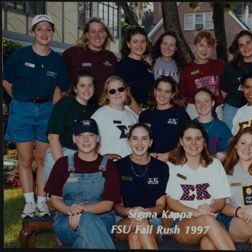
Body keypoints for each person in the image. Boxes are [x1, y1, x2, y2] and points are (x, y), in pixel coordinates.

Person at [3, 14, 68, 218]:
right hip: (22, 110)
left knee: (41, 159)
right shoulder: (20, 55)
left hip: (47, 110)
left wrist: (53, 106)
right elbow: (6, 80)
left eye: (48, 29)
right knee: (25, 158)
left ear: (52, 33)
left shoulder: (57, 60)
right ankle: (29, 203)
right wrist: (21, 100)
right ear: (33, 32)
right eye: (40, 29)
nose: (44, 33)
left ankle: (42, 202)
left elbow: (62, 88)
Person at [44, 118, 120, 248]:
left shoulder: (109, 166)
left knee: (84, 241)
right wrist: (70, 210)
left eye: (91, 135)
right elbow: (55, 199)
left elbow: (108, 205)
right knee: (87, 223)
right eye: (81, 135)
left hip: (102, 220)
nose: (86, 140)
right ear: (74, 138)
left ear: (97, 138)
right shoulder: (62, 164)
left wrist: (81, 211)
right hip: (67, 221)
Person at [165, 121, 235, 250]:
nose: (194, 143)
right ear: (181, 141)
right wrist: (195, 212)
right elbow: (171, 202)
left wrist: (210, 209)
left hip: (213, 219)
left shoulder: (215, 165)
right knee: (207, 220)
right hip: (182, 223)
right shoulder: (172, 166)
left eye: (198, 138)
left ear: (204, 141)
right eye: (188, 139)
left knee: (209, 244)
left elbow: (221, 200)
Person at [114, 123, 169, 249]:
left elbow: (160, 206)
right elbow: (117, 206)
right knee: (140, 223)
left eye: (144, 138)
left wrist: (146, 213)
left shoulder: (161, 168)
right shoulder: (118, 167)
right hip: (122, 220)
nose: (139, 143)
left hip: (153, 221)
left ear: (150, 142)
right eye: (135, 138)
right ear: (128, 141)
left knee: (135, 236)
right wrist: (130, 211)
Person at [44, 70, 99, 181]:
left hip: (83, 155)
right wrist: (63, 165)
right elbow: (53, 137)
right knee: (57, 195)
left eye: (90, 85)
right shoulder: (65, 104)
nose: (87, 89)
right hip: (61, 153)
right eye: (82, 85)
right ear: (75, 88)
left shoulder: (94, 110)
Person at [220, 30, 252, 130]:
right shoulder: (231, 67)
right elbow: (223, 92)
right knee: (231, 141)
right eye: (241, 45)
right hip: (232, 110)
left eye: (248, 43)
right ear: (238, 48)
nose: (245, 48)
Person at [62, 17, 118, 100]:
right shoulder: (72, 54)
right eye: (93, 31)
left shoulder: (111, 57)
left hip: (103, 107)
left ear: (105, 34)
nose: (97, 35)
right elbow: (60, 84)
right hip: (79, 107)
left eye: (101, 31)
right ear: (87, 35)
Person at [139, 76, 190, 162]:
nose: (162, 95)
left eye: (167, 92)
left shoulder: (181, 114)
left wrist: (169, 155)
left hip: (173, 162)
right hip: (149, 162)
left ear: (173, 94)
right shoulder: (145, 115)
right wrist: (147, 154)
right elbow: (141, 141)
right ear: (155, 91)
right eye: (159, 90)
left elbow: (188, 141)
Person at [179, 30, 224, 120]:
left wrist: (219, 102)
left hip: (215, 108)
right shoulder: (187, 69)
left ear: (212, 48)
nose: (204, 49)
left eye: (209, 46)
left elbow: (225, 88)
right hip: (194, 109)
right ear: (195, 46)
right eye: (201, 45)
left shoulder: (219, 65)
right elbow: (182, 94)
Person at [91, 75, 138, 159]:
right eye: (112, 91)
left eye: (121, 89)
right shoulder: (100, 115)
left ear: (126, 92)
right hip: (109, 166)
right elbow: (89, 142)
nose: (117, 93)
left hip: (130, 165)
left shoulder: (132, 114)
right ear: (106, 95)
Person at [115, 26, 155, 114]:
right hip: (132, 112)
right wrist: (141, 114)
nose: (139, 45)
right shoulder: (123, 66)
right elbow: (125, 94)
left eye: (142, 41)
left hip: (148, 110)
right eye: (135, 42)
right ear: (128, 44)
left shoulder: (146, 65)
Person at [193, 87, 232, 161]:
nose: (202, 105)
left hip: (216, 168)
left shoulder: (222, 127)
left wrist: (224, 154)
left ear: (213, 103)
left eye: (206, 101)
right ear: (195, 105)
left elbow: (231, 149)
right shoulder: (189, 126)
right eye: (198, 102)